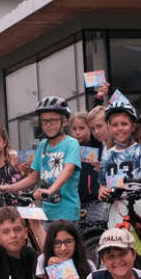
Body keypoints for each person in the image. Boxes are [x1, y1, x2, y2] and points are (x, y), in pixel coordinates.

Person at [98, 101, 141, 227]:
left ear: (133, 127)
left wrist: (122, 184)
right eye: (115, 125)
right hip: (115, 210)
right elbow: (102, 185)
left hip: (138, 208)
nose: (120, 128)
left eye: (124, 124)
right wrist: (102, 191)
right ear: (109, 128)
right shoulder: (106, 154)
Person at [32, 96, 81, 227]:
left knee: (63, 247)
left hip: (67, 213)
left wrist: (50, 190)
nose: (48, 125)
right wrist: (9, 188)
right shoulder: (43, 145)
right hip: (47, 212)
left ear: (64, 122)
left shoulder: (71, 143)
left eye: (52, 120)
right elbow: (33, 177)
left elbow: (68, 169)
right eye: (44, 121)